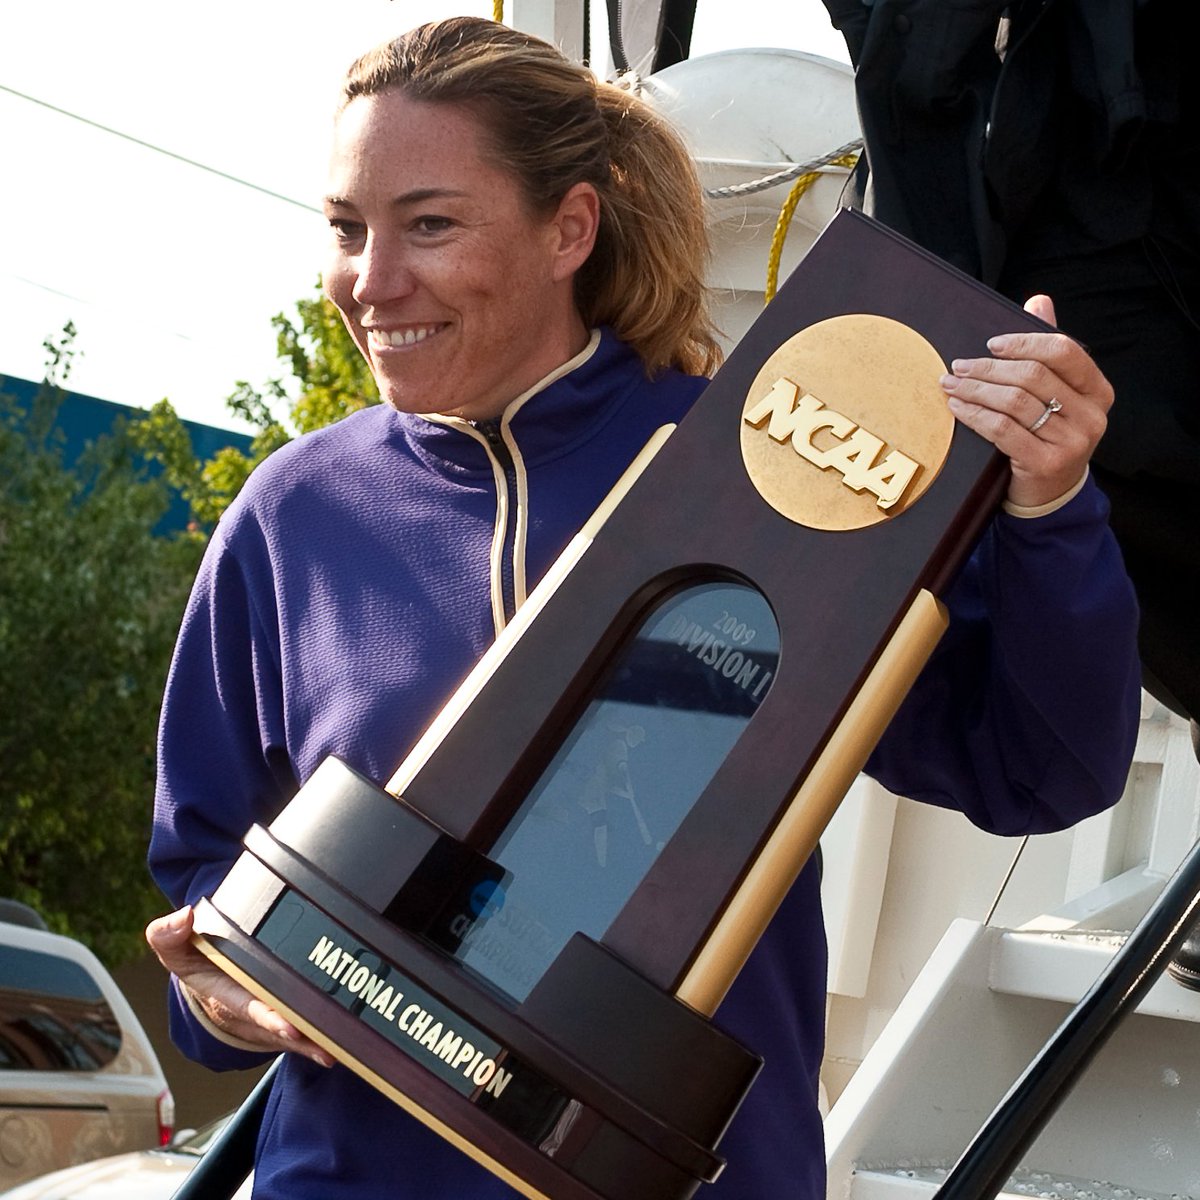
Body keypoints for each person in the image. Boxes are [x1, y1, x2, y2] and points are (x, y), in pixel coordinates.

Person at [146, 17, 1141, 1200]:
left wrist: (1050, 507)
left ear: (570, 226)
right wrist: (223, 992)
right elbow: (210, 884)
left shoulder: (772, 466)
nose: (373, 282)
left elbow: (1042, 771)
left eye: (429, 224)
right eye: (347, 229)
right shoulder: (291, 516)